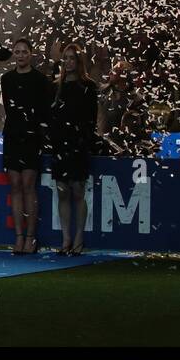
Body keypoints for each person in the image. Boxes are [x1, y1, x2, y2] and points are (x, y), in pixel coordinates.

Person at [0, 38, 53, 254]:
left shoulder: (41, 80)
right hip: (13, 135)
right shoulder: (7, 79)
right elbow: (10, 109)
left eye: (24, 52)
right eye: (17, 52)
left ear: (31, 54)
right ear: (14, 54)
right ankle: (19, 237)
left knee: (28, 186)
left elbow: (43, 111)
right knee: (15, 187)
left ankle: (31, 238)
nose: (21, 55)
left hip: (32, 137)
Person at [50, 43, 99, 256]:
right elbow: (50, 115)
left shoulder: (88, 86)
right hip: (60, 144)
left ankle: (79, 237)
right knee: (62, 191)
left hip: (79, 144)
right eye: (66, 58)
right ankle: (66, 239)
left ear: (79, 62)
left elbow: (91, 118)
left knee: (78, 191)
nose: (68, 62)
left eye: (72, 58)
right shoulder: (55, 86)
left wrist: (83, 141)